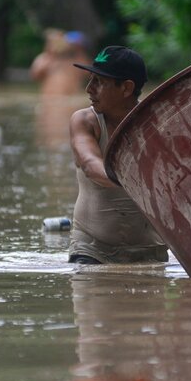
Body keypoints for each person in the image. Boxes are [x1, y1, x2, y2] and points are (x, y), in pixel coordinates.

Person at [67, 46, 168, 265]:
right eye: (90, 79)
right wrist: (133, 179)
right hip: (92, 250)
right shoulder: (85, 121)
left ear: (126, 88)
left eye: (99, 82)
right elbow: (90, 164)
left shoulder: (158, 124)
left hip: (152, 252)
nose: (89, 89)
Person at [29, 29, 91, 96]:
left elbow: (89, 73)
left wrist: (78, 50)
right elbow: (35, 76)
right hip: (50, 102)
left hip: (72, 102)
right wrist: (52, 54)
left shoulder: (75, 60)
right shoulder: (44, 58)